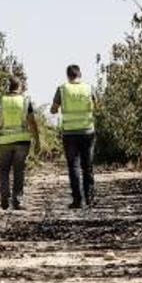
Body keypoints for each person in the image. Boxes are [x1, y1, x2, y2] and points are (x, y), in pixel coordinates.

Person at [0, 75, 40, 210]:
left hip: (5, 141)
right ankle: (17, 200)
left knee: (3, 170)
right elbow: (32, 122)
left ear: (8, 87)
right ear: (19, 87)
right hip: (22, 141)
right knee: (19, 170)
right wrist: (37, 140)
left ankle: (5, 195)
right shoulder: (25, 101)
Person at [50, 64, 96, 208]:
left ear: (68, 75)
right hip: (87, 131)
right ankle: (89, 198)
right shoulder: (89, 88)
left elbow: (53, 109)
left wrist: (56, 109)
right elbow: (98, 105)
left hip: (69, 133)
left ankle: (78, 200)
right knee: (87, 165)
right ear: (80, 74)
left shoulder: (62, 89)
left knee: (73, 167)